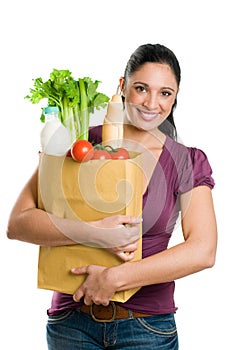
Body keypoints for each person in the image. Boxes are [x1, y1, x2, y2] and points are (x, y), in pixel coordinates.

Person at [7, 43, 217, 350]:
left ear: (176, 96)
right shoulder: (79, 141)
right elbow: (18, 223)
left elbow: (203, 250)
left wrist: (116, 279)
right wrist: (95, 232)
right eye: (141, 88)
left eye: (165, 93)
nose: (152, 103)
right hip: (71, 323)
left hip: (147, 327)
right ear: (122, 86)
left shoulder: (185, 161)